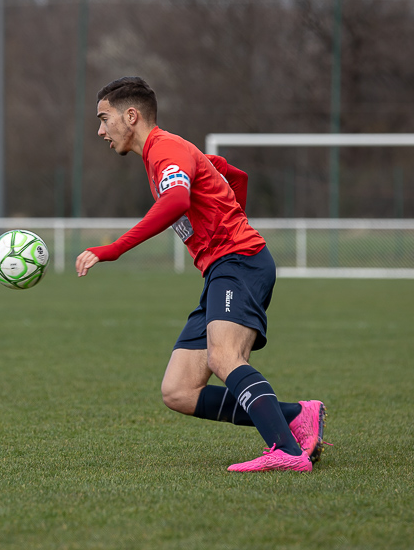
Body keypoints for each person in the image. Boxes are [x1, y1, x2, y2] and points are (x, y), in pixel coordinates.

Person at [75, 76, 327, 472]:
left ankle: (287, 451)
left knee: (224, 357)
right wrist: (226, 220)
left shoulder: (165, 150)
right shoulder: (167, 152)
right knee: (178, 390)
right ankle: (297, 416)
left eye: (104, 119)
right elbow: (235, 175)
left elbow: (177, 199)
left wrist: (113, 249)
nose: (100, 130)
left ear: (131, 115)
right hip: (222, 268)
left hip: (238, 262)